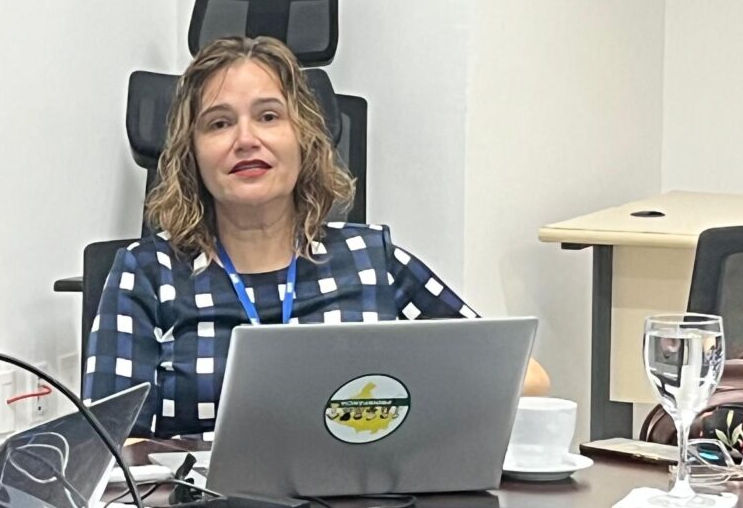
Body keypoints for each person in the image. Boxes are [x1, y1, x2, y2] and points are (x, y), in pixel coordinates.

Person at [83, 35, 550, 439]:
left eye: (269, 116)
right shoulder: (148, 273)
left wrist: (398, 398)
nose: (246, 139)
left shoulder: (373, 261)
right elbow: (107, 442)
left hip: (366, 504)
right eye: (219, 123)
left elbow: (528, 376)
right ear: (192, 155)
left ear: (304, 139)